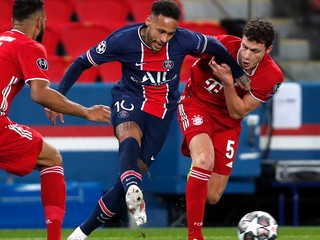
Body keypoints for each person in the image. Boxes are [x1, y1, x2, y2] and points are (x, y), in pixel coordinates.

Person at [49, 0, 248, 239]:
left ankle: (82, 231)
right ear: (149, 22)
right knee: (128, 135)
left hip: (161, 113)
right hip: (128, 98)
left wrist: (238, 74)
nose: (165, 39)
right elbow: (82, 62)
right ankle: (131, 188)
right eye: (161, 31)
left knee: (129, 176)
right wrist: (58, 96)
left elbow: (214, 45)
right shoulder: (122, 40)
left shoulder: (184, 40)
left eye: (170, 33)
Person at [0, 1, 111, 240]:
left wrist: (54, 100)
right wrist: (86, 112)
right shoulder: (29, 46)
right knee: (51, 158)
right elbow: (40, 93)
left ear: (12, 22)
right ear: (40, 23)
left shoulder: (2, 41)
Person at [177, 17, 284, 240]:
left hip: (228, 120)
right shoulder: (222, 45)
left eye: (255, 51)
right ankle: (194, 235)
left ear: (268, 49)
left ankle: (196, 174)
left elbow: (238, 112)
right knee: (204, 160)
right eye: (245, 46)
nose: (246, 55)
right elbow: (185, 43)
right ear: (241, 40)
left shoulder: (272, 76)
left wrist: (228, 81)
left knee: (213, 195)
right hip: (196, 103)